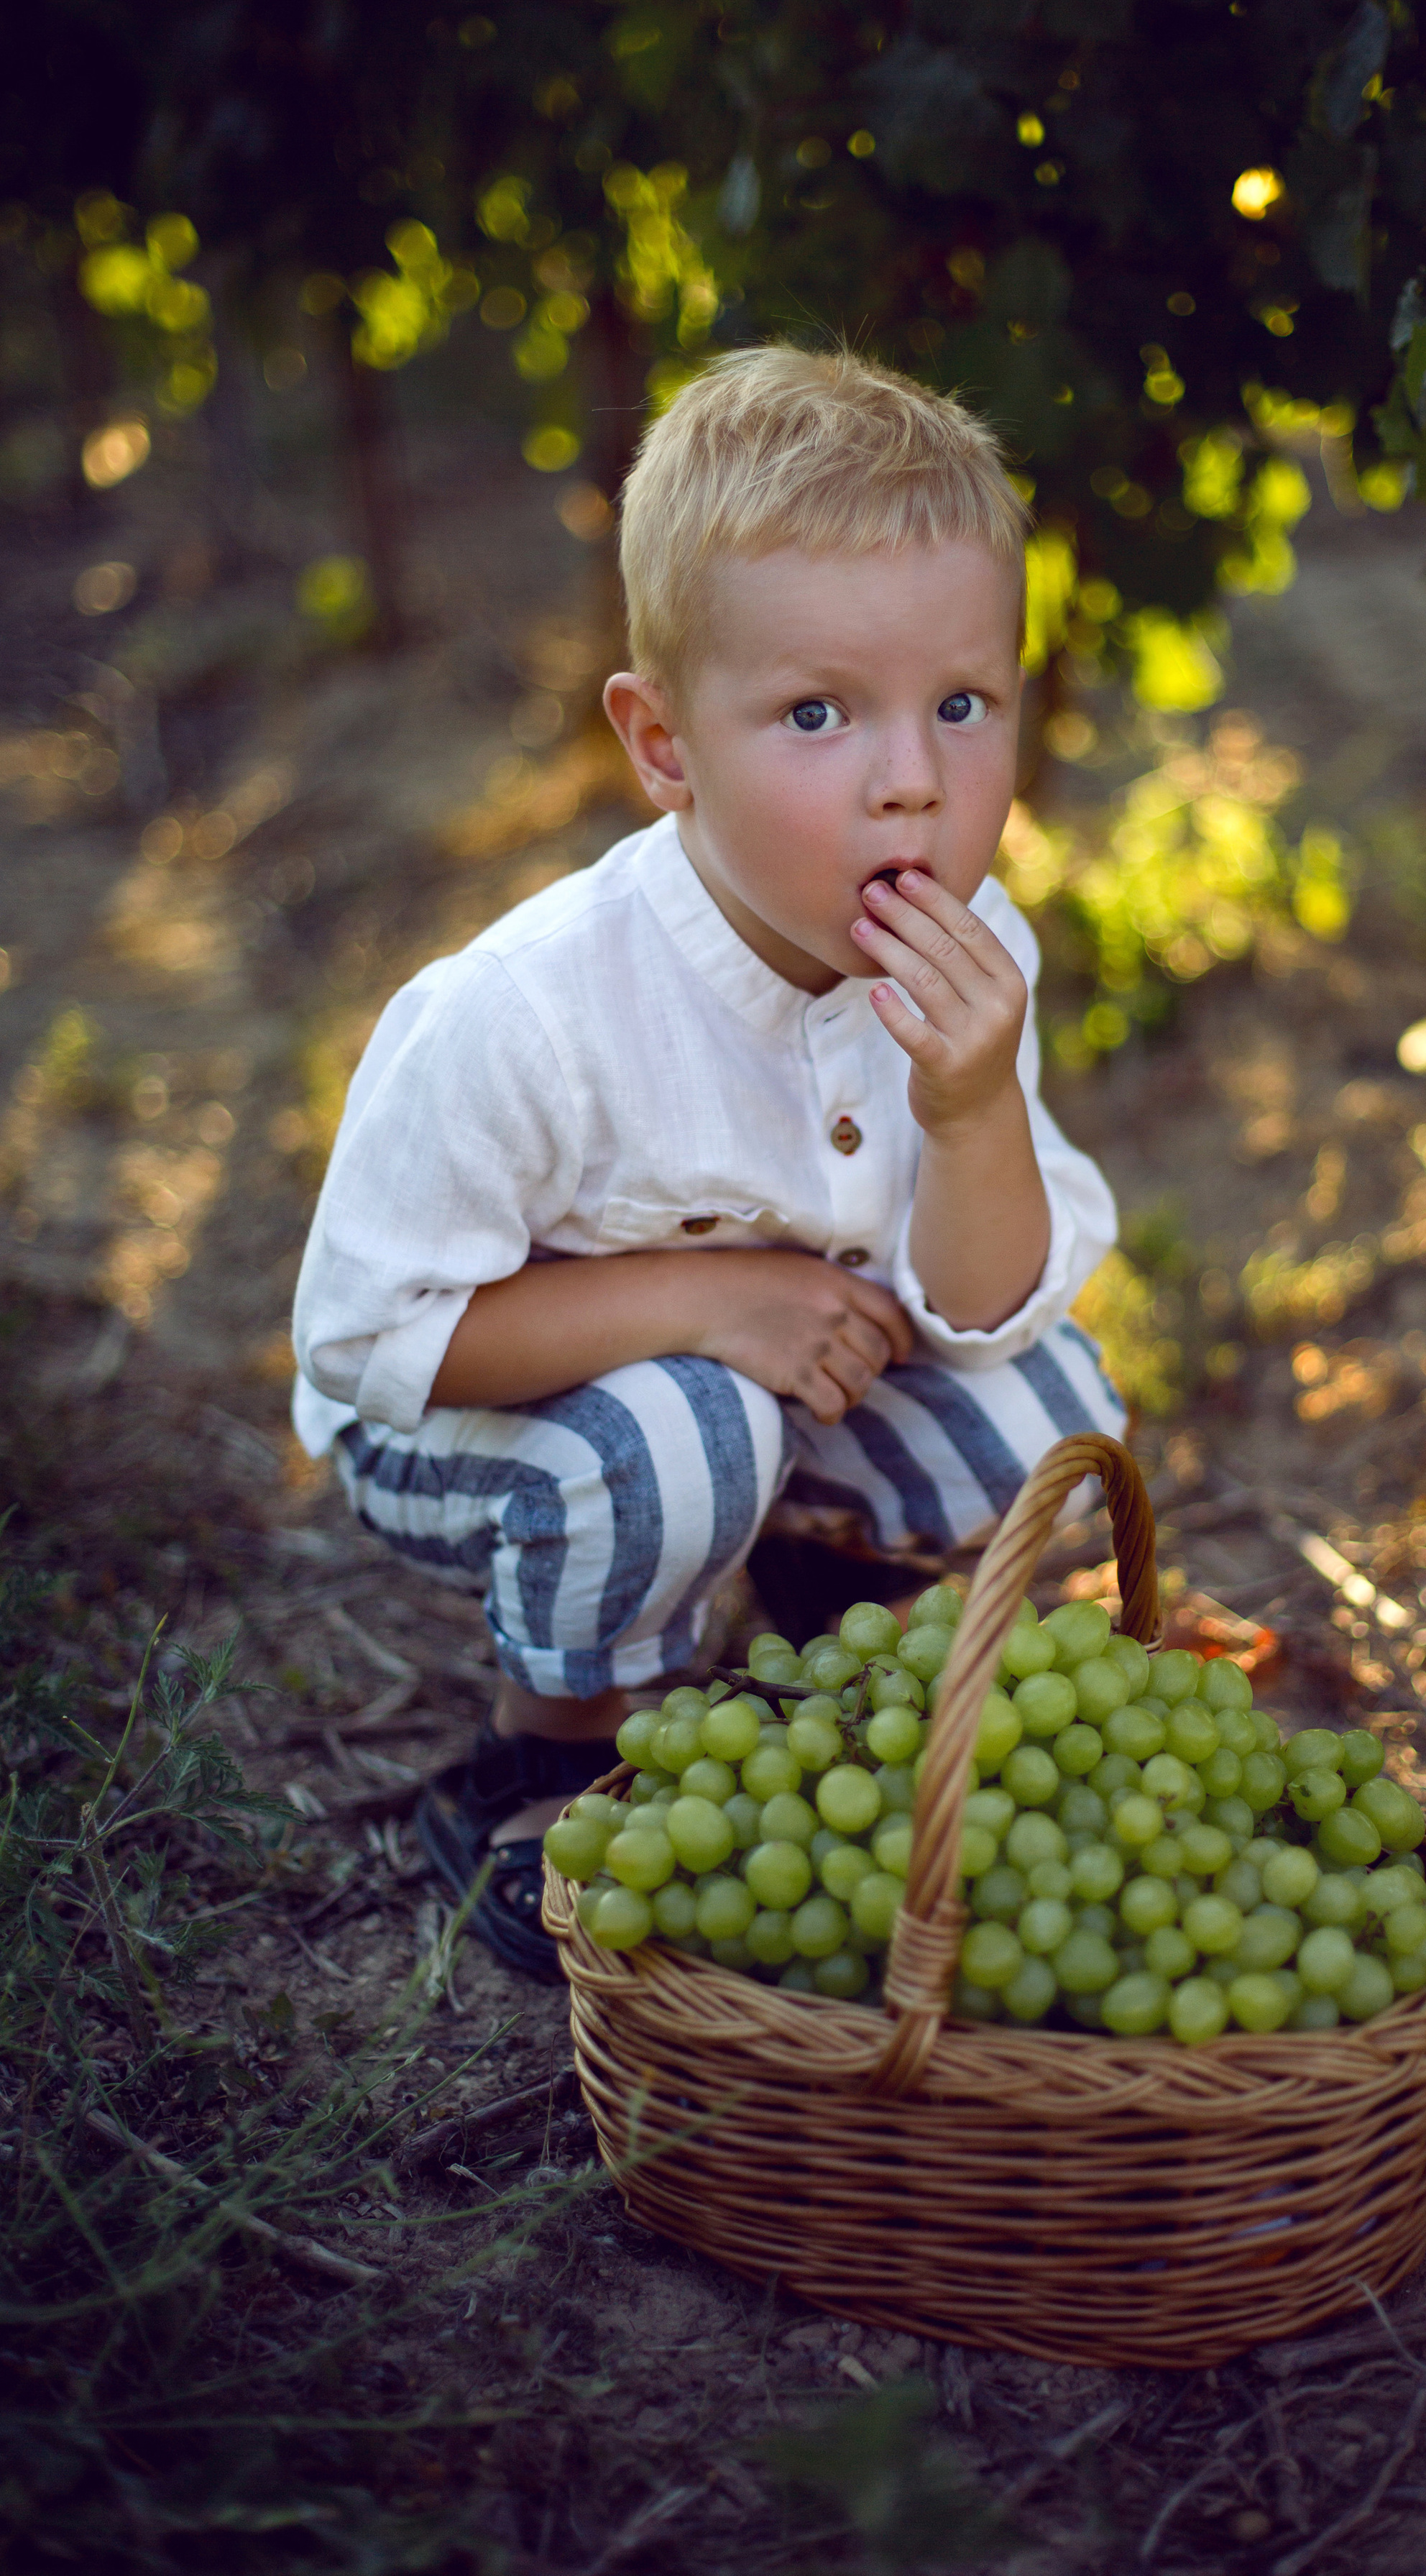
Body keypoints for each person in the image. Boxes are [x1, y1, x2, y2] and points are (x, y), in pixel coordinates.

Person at [290, 345, 1123, 1973]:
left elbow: (981, 1310)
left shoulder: (975, 953)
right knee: (688, 1430)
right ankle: (549, 1749)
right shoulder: (533, 1013)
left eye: (963, 704)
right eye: (817, 714)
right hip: (470, 1413)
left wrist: (965, 1114)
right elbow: (369, 1338)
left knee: (1050, 1415)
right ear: (663, 746)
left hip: (763, 1378)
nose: (911, 775)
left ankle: (813, 1632)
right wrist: (711, 1296)